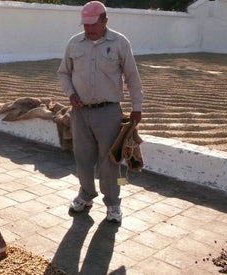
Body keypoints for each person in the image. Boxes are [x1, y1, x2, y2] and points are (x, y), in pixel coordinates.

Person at [57, 1, 143, 223]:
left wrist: (137, 108)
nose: (88, 29)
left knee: (109, 161)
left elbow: (132, 77)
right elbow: (64, 73)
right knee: (83, 158)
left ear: (105, 21)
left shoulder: (120, 43)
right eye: (85, 25)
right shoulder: (74, 43)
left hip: (108, 112)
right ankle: (85, 195)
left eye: (93, 24)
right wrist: (70, 93)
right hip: (80, 112)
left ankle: (113, 204)